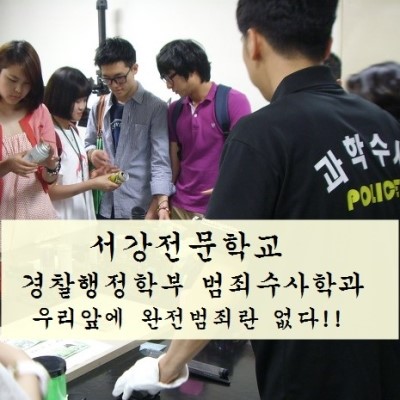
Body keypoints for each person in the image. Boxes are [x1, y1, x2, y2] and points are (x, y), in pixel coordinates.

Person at [112, 1, 400, 400]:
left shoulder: (262, 134)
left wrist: (165, 366)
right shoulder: (384, 126)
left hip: (309, 371)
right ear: (327, 45)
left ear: (254, 42)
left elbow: (223, 277)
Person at [156, 39, 251, 219]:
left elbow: (246, 158)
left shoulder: (233, 101)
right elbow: (173, 164)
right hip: (179, 206)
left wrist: (229, 188)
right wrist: (163, 202)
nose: (168, 85)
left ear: (191, 70)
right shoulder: (174, 110)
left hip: (218, 207)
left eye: (170, 78)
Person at [85, 37, 174, 220]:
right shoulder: (99, 106)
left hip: (139, 207)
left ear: (134, 69)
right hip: (105, 205)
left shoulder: (155, 108)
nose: (114, 85)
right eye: (107, 79)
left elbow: (160, 161)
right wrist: (92, 153)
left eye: (120, 78)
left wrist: (160, 204)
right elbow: (88, 144)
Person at [44, 66, 119, 219]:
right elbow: (49, 191)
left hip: (82, 218)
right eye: (76, 101)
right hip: (62, 222)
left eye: (84, 100)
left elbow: (72, 177)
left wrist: (94, 176)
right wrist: (93, 184)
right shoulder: (49, 135)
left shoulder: (72, 129)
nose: (82, 106)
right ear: (60, 98)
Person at [0, 40, 60, 219]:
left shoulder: (40, 112)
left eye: (27, 83)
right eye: (12, 80)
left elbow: (50, 179)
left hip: (39, 214)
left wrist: (50, 165)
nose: (18, 89)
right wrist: (7, 166)